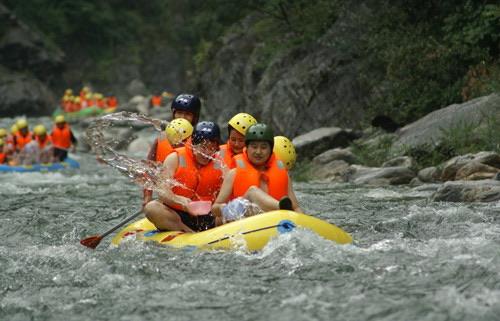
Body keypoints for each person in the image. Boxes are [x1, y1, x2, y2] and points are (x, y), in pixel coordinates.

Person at [212, 123, 302, 225]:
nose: (258, 152)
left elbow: (296, 207)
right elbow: (214, 209)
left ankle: (281, 209)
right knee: (252, 191)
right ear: (247, 148)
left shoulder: (283, 175)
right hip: (240, 221)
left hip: (270, 221)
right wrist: (226, 208)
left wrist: (305, 223)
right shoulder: (233, 174)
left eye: (263, 147)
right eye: (254, 147)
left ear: (271, 149)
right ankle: (281, 207)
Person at [144, 121, 223, 232]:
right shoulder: (174, 158)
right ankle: (188, 232)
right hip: (179, 215)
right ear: (194, 145)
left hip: (208, 215)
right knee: (151, 208)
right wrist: (180, 201)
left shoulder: (220, 162)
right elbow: (162, 191)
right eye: (203, 148)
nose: (208, 153)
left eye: (212, 148)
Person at [143, 94, 201, 207]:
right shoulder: (162, 138)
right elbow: (149, 168)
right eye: (179, 113)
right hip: (168, 199)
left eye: (188, 114)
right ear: (173, 114)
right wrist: (147, 197)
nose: (182, 117)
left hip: (194, 202)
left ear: (195, 117)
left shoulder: (200, 140)